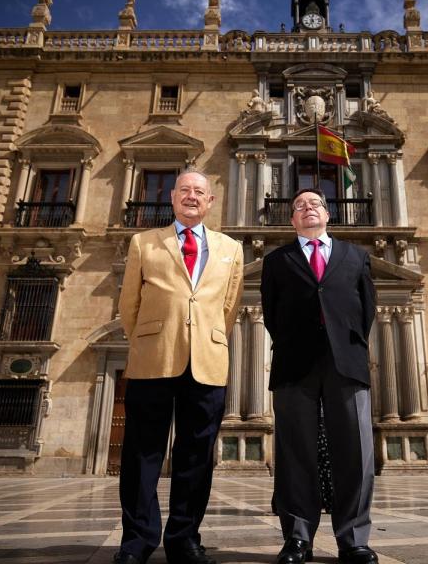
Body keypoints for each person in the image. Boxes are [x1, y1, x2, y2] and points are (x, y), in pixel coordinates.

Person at [113, 171, 244, 564]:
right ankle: (136, 542)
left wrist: (204, 337)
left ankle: (184, 539)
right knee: (142, 454)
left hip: (206, 363)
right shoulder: (144, 242)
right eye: (185, 190)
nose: (191, 196)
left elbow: (229, 308)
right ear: (172, 197)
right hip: (153, 358)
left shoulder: (230, 248)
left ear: (210, 201)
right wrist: (149, 338)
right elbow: (128, 306)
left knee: (197, 456)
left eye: (199, 191)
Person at [261, 188, 378, 564]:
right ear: (292, 220)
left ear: (327, 214)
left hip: (347, 363)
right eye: (299, 206)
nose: (308, 209)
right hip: (295, 365)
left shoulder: (356, 256)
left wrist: (348, 344)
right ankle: (297, 539)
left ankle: (354, 540)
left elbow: (367, 311)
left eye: (315, 204)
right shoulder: (276, 260)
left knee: (356, 452)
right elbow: (271, 313)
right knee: (295, 452)